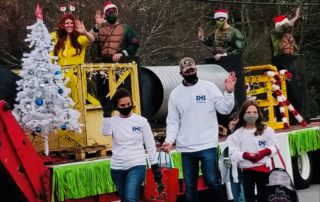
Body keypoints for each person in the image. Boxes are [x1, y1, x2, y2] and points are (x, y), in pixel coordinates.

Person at [162, 57, 236, 202]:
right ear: (181, 74)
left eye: (192, 70)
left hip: (207, 144)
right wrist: (169, 140)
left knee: (212, 180)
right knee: (190, 187)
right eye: (187, 71)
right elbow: (173, 121)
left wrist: (228, 92)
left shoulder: (208, 87)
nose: (190, 73)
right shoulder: (175, 94)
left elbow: (225, 109)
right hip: (187, 148)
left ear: (196, 70)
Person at [100, 88, 162, 202]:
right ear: (117, 106)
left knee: (130, 199)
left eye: (129, 104)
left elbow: (150, 144)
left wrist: (155, 167)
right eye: (123, 105)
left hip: (137, 165)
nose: (126, 107)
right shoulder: (112, 121)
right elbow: (105, 132)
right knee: (125, 199)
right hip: (117, 168)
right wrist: (106, 114)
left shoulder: (141, 121)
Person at [228, 100, 280, 202]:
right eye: (248, 112)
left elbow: (276, 147)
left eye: (254, 112)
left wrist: (265, 152)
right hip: (247, 170)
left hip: (264, 169)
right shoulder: (238, 133)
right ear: (243, 114)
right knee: (249, 198)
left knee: (264, 198)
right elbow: (233, 153)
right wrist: (246, 155)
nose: (251, 115)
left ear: (258, 114)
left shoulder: (267, 130)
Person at [221, 112, 245, 202]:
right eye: (233, 121)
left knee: (243, 198)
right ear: (229, 125)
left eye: (237, 121)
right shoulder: (229, 139)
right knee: (235, 196)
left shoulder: (245, 137)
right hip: (233, 174)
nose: (235, 124)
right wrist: (227, 165)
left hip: (243, 172)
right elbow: (225, 155)